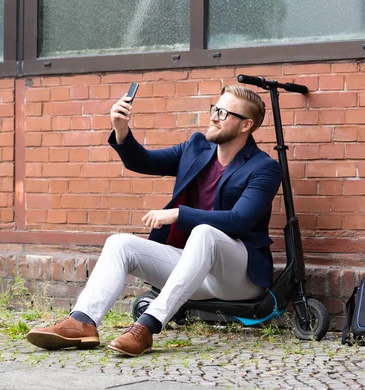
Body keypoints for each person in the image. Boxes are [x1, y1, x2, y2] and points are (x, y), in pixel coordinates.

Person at [26, 84, 282, 357]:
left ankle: (147, 326)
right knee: (120, 243)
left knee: (205, 232)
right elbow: (144, 161)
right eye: (214, 109)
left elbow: (239, 220)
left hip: (236, 279)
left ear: (246, 125)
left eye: (224, 113)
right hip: (191, 270)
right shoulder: (196, 148)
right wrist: (121, 129)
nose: (214, 116)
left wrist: (180, 214)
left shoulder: (263, 167)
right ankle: (83, 322)